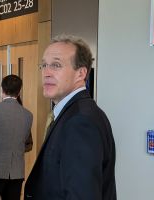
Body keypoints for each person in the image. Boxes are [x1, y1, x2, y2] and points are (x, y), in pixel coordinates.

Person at [24, 35, 117, 200]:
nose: (46, 73)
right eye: (44, 65)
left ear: (81, 73)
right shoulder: (73, 113)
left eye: (56, 65)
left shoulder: (81, 122)